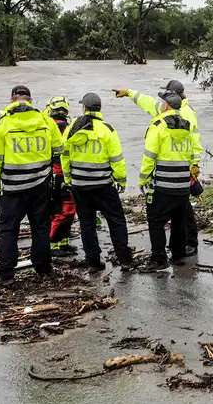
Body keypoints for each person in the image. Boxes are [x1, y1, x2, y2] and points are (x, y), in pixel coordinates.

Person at [0, 85, 64, 286]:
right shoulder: (46, 121)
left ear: (12, 100)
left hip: (12, 189)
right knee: (41, 228)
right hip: (40, 185)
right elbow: (59, 148)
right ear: (30, 100)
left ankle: (6, 275)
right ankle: (43, 268)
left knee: (8, 231)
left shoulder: (1, 124)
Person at [113, 80, 202, 256]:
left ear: (171, 97)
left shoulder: (184, 114)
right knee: (180, 210)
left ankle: (188, 243)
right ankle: (178, 250)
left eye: (166, 93)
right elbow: (148, 102)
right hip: (180, 171)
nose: (161, 100)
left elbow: (194, 140)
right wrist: (129, 92)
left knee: (180, 212)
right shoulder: (171, 109)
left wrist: (194, 165)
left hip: (176, 172)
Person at [62, 93, 134, 272]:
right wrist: (121, 180)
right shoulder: (107, 130)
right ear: (99, 108)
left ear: (84, 108)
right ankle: (125, 260)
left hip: (80, 186)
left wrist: (69, 179)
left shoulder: (72, 128)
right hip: (103, 186)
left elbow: (65, 156)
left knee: (87, 224)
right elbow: (117, 159)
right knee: (116, 222)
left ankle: (93, 261)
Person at [138, 93, 199, 271]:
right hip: (182, 185)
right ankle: (178, 255)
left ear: (165, 106)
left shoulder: (158, 125)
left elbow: (149, 156)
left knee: (156, 221)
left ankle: (159, 259)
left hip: (163, 185)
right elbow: (193, 155)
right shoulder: (187, 126)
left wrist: (143, 179)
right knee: (179, 220)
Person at [44, 96, 78, 256]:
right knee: (64, 210)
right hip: (61, 174)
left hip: (52, 174)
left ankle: (62, 242)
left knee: (59, 209)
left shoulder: (45, 126)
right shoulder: (66, 128)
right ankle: (53, 245)